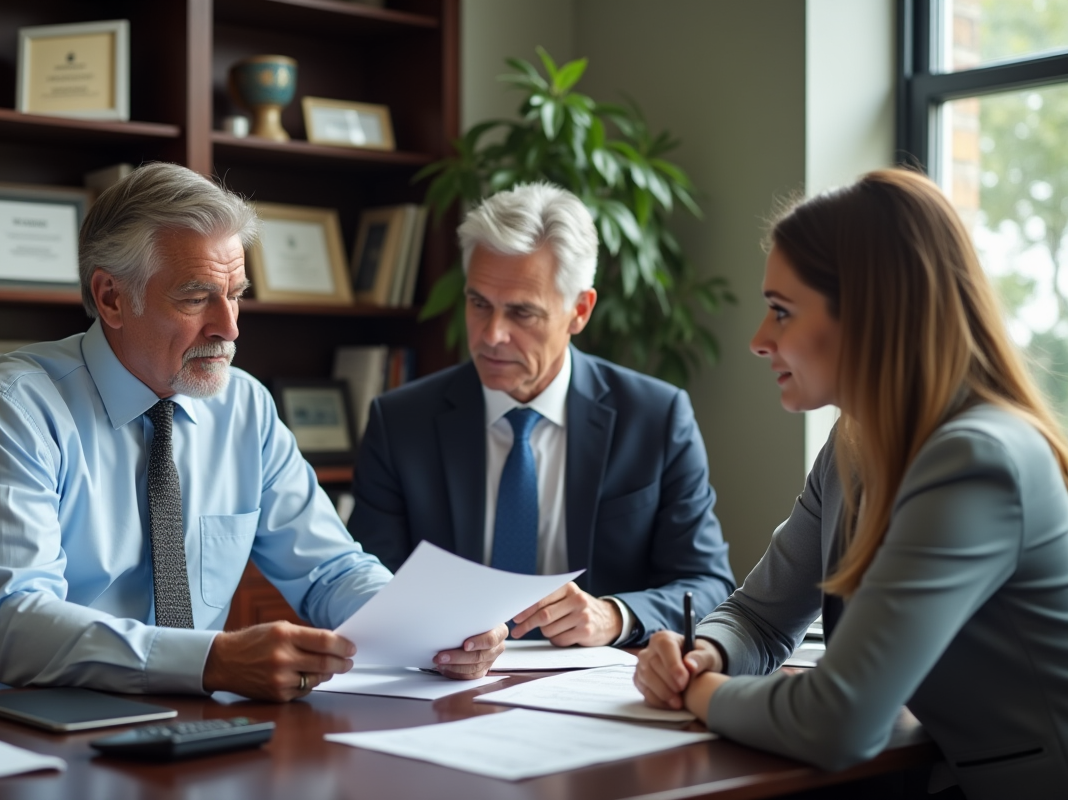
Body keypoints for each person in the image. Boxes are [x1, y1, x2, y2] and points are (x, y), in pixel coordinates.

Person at [0, 162, 506, 701]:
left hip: (181, 721)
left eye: (236, 296)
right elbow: (15, 623)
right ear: (111, 297)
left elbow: (329, 570)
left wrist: (432, 628)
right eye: (197, 297)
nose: (230, 328)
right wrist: (210, 661)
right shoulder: (14, 409)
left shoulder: (245, 406)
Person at [634, 169, 1068, 797]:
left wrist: (701, 694)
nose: (759, 341)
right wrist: (709, 656)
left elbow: (840, 721)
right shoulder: (856, 442)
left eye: (781, 311)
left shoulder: (979, 461)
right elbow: (759, 615)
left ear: (870, 316)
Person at [349, 182, 735, 647]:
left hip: (598, 692)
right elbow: (365, 583)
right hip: (442, 684)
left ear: (579, 311)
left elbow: (707, 584)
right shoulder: (400, 422)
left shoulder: (655, 418)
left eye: (522, 313)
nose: (492, 335)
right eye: (478, 304)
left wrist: (614, 616)